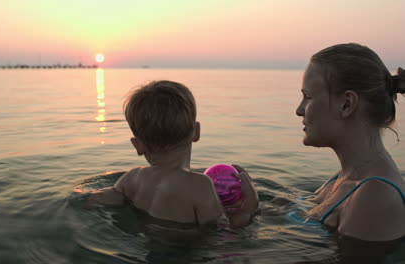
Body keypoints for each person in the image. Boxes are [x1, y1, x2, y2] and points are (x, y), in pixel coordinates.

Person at [85, 80, 259, 227]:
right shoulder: (200, 186)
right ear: (196, 132)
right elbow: (223, 232)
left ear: (138, 145)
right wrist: (248, 209)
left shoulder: (132, 178)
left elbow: (93, 201)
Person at [295, 43, 405, 241]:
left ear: (346, 104)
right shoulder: (347, 177)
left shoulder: (375, 196)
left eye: (308, 97)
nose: (299, 110)